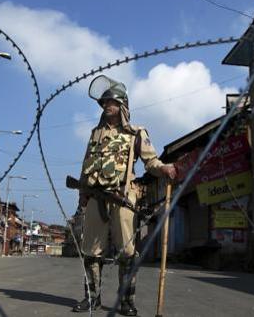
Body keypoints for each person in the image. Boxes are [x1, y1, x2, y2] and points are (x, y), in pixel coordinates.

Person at [72, 76, 176, 316]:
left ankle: (126, 301)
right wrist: (82, 194)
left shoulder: (136, 132)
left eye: (112, 101)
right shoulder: (95, 133)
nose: (107, 105)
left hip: (122, 195)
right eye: (105, 102)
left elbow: (151, 161)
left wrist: (164, 169)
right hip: (96, 196)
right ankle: (91, 297)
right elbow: (86, 165)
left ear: (122, 106)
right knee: (91, 251)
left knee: (127, 252)